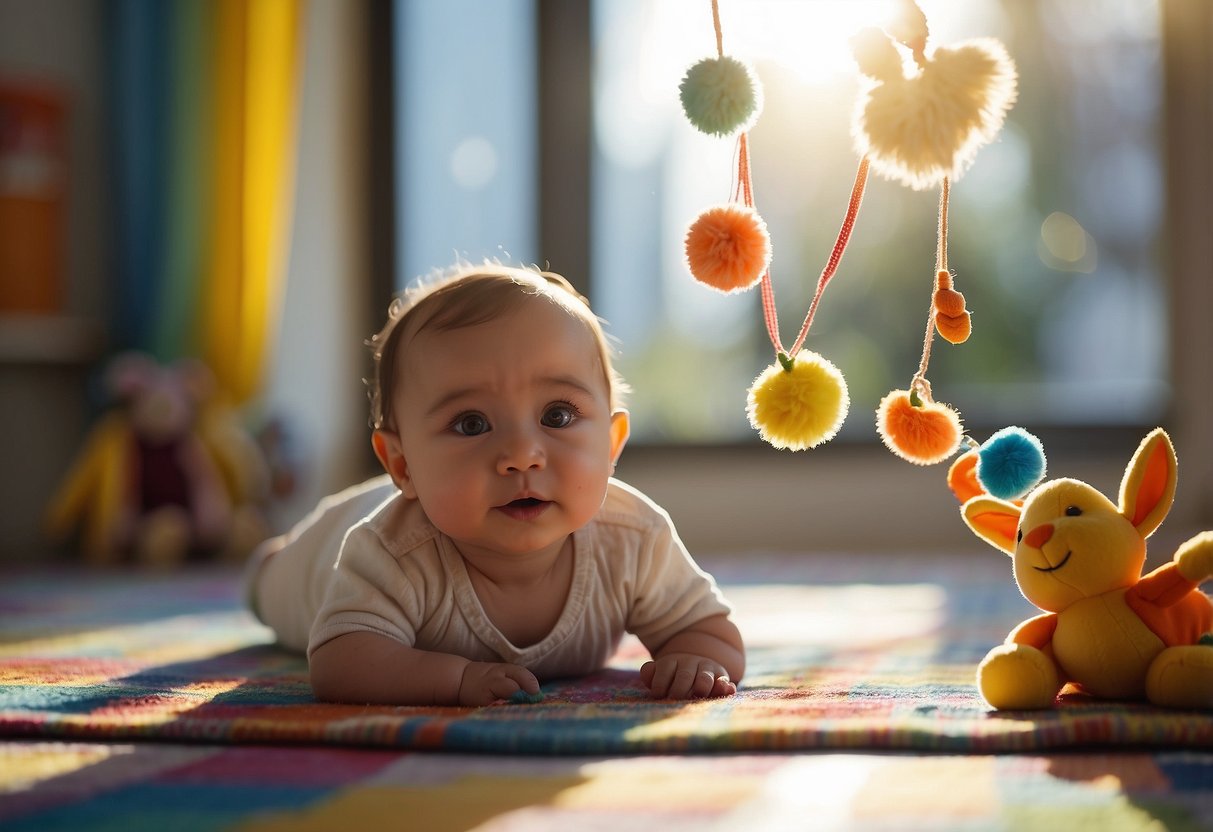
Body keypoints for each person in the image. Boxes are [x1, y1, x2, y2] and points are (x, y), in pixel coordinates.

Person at [247, 263, 745, 706]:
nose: (521, 456)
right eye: (471, 424)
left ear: (612, 444)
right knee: (271, 583)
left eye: (558, 414)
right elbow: (342, 663)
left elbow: (710, 632)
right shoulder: (391, 553)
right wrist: (453, 679)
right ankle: (267, 563)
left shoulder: (634, 539)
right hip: (326, 552)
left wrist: (694, 659)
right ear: (402, 466)